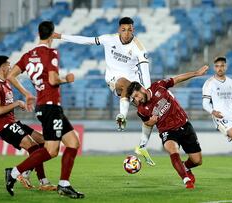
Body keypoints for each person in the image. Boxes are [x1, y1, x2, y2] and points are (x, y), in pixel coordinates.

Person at [52, 17, 155, 166]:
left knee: (150, 114)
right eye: (123, 30)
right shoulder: (108, 39)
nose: (126, 33)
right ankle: (122, 116)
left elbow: (145, 73)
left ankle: (142, 146)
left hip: (136, 86)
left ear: (133, 30)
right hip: (114, 80)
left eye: (130, 30)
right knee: (126, 84)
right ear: (119, 29)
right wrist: (61, 36)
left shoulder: (139, 48)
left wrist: (149, 91)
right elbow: (86, 40)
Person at [5, 21, 84, 198]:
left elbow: (10, 76)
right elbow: (54, 79)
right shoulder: (51, 53)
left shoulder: (28, 55)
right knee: (51, 151)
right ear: (52, 34)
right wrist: (67, 79)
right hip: (50, 107)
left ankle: (64, 184)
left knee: (73, 143)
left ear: (38, 33)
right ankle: (14, 173)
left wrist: (26, 93)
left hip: (44, 106)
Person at [126, 65, 209, 189]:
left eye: (137, 95)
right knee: (172, 150)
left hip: (184, 124)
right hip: (167, 131)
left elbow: (177, 79)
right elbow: (146, 123)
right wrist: (151, 122)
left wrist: (196, 73)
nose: (137, 100)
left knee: (197, 161)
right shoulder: (141, 110)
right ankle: (186, 180)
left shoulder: (158, 86)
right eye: (134, 98)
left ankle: (185, 167)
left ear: (142, 89)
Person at [0, 55, 56, 191]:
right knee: (35, 148)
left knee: (43, 141)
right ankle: (42, 181)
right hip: (4, 126)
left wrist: (26, 94)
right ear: (2, 67)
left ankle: (26, 174)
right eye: (8, 64)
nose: (10, 67)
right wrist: (17, 103)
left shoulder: (5, 81)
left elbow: (13, 80)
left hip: (13, 122)